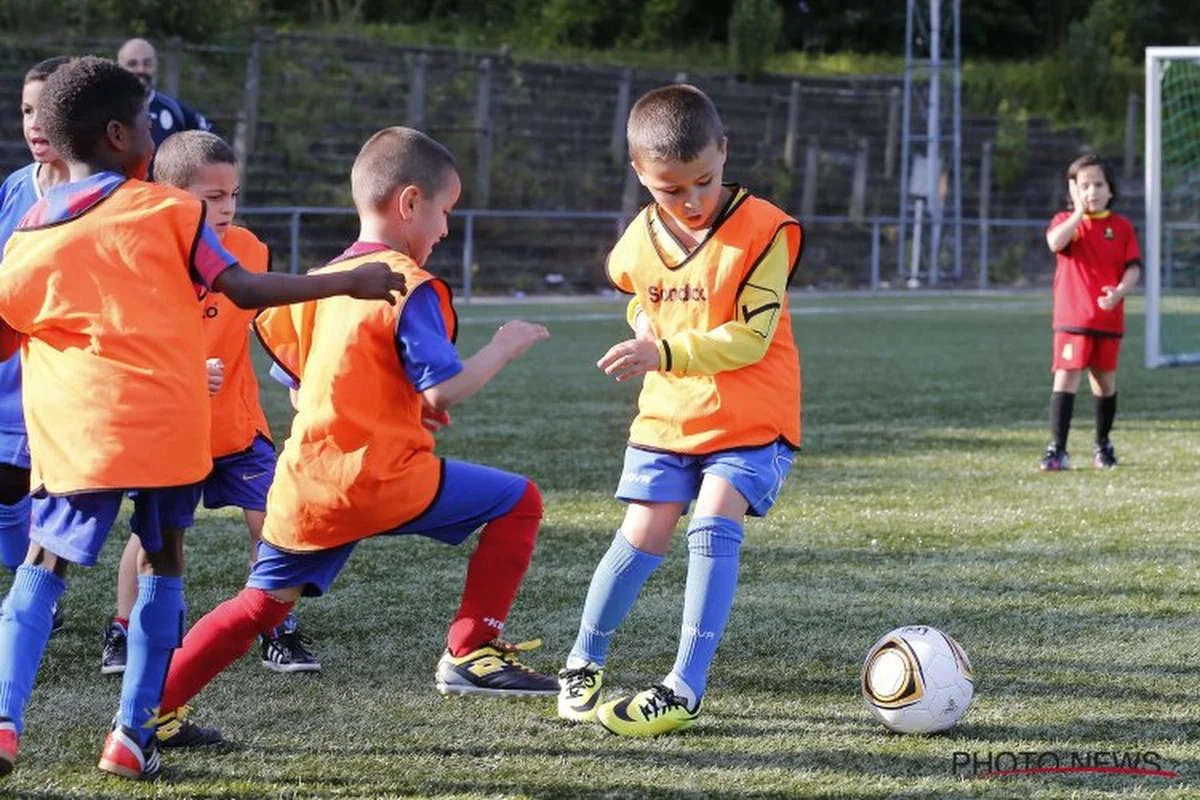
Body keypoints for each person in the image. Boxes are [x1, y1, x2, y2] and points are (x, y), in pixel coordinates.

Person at [0, 56, 404, 781]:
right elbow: (242, 287)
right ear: (121, 135)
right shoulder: (169, 210)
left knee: (43, 565)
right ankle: (131, 735)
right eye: (149, 125)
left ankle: (3, 721)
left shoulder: (27, 232)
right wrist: (352, 279)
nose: (156, 138)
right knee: (163, 562)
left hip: (79, 436)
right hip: (166, 430)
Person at [150, 125, 558, 756]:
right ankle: (470, 651)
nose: (446, 230)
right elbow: (443, 390)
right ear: (411, 203)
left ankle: (148, 715)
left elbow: (304, 383)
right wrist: (503, 345)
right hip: (379, 477)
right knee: (520, 501)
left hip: (310, 484)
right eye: (445, 213)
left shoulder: (321, 281)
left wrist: (397, 402)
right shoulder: (405, 282)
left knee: (259, 605)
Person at [556, 84, 803, 737]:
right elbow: (638, 291)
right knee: (645, 531)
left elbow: (751, 336)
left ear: (725, 153)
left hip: (752, 411)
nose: (692, 200)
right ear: (641, 174)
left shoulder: (766, 230)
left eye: (705, 180)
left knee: (716, 518)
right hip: (669, 414)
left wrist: (660, 348)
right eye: (671, 189)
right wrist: (645, 326)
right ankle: (584, 659)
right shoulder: (638, 236)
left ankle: (685, 686)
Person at [101, 131, 321, 680]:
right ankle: (123, 629)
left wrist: (304, 377)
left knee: (273, 521)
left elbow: (272, 324)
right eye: (211, 197)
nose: (226, 208)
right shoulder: (139, 256)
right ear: (166, 196)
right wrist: (181, 376)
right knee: (150, 535)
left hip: (235, 426)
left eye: (234, 195)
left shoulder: (248, 250)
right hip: (170, 426)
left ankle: (276, 626)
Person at [0, 58, 71, 617]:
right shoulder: (14, 187)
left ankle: (34, 595)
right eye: (26, 110)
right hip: (6, 372)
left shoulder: (102, 197)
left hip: (57, 382)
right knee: (7, 498)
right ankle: (28, 588)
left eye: (46, 110)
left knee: (49, 497)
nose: (34, 123)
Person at [1040, 154, 1141, 471]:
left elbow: (1133, 268)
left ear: (1111, 190)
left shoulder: (1121, 227)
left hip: (1108, 320)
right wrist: (1078, 213)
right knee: (1066, 378)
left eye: (1098, 184)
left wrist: (1120, 291)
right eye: (1084, 186)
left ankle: (1102, 445)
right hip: (1072, 320)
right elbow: (1055, 243)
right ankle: (1057, 450)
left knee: (1104, 383)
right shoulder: (1065, 223)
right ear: (1073, 190)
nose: (1092, 191)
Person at [118, 38, 211, 148]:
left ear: (156, 66)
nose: (141, 70)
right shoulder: (103, 110)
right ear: (119, 68)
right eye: (132, 64)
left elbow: (212, 145)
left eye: (147, 64)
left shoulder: (176, 110)